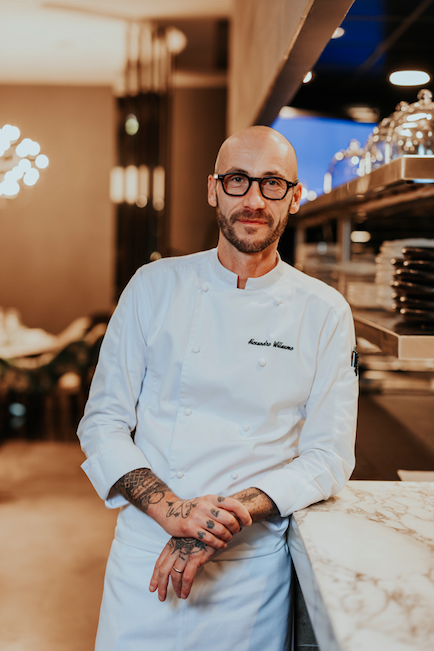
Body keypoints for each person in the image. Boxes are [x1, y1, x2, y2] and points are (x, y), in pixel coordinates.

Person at [77, 125, 358, 651]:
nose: (253, 199)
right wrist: (173, 511)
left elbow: (328, 456)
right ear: (213, 190)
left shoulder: (324, 311)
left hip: (249, 570)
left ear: (295, 198)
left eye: (272, 184)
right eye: (237, 180)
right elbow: (103, 421)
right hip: (146, 553)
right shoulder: (152, 286)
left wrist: (226, 516)